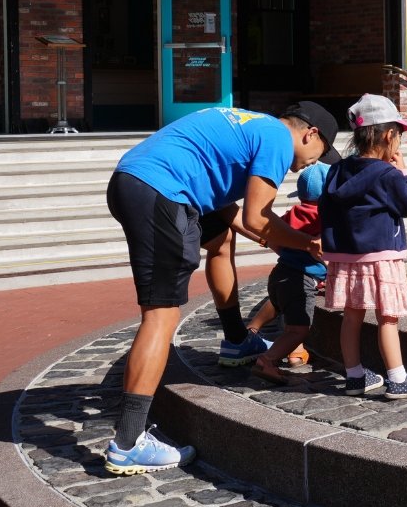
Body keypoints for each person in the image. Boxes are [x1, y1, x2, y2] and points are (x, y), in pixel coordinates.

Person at [104, 101, 341, 475]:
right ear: (309, 133)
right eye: (320, 152)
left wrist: (282, 242)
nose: (314, 162)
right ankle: (128, 443)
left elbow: (234, 216)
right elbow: (257, 216)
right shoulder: (279, 139)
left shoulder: (251, 125)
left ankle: (236, 340)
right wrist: (307, 245)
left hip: (136, 181)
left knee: (220, 242)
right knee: (161, 313)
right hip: (161, 191)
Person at [319, 93, 407, 400]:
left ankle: (355, 375)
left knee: (352, 314)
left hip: (347, 256)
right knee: (388, 315)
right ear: (387, 135)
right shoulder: (386, 173)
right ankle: (397, 377)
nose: (399, 143)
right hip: (381, 253)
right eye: (399, 136)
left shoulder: (337, 170)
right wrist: (403, 172)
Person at [250, 161, 330, 384]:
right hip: (299, 279)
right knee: (298, 330)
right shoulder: (324, 218)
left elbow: (271, 237)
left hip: (280, 273)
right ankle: (267, 361)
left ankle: (258, 332)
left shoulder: (293, 212)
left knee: (282, 311)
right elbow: (326, 254)